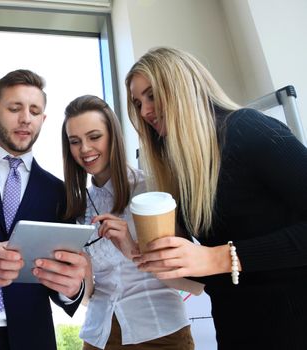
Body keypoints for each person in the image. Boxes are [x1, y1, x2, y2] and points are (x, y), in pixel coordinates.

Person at [126, 47, 307, 350]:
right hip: (237, 330)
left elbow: (218, 261)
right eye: (137, 102)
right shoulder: (182, 172)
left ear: (183, 86)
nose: (144, 111)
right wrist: (137, 250)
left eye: (152, 95)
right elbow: (204, 279)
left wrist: (218, 256)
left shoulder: (247, 129)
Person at [0, 69, 88, 350]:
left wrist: (73, 289)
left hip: (32, 339)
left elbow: (61, 275)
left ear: (43, 120)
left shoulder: (58, 192)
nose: (26, 118)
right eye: (15, 108)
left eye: (35, 111)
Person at [61, 95, 193, 350]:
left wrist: (133, 248)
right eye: (75, 142)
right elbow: (88, 294)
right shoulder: (78, 208)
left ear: (113, 136)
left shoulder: (153, 189)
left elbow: (187, 277)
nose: (85, 149)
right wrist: (74, 279)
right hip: (99, 336)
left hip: (160, 333)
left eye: (94, 136)